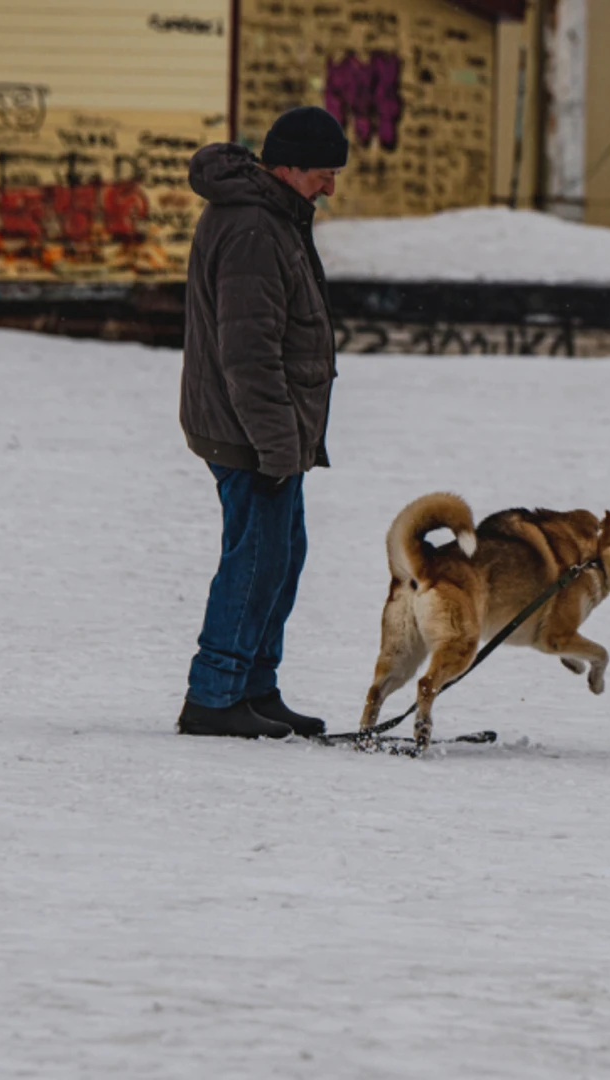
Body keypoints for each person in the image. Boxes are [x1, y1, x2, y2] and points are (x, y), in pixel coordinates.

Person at [175, 106, 347, 739]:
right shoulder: (254, 225)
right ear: (289, 166)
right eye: (325, 171)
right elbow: (247, 352)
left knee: (279, 555)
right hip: (249, 431)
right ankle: (214, 697)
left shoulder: (272, 215)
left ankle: (253, 687)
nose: (331, 185)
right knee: (254, 561)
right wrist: (277, 446)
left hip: (265, 430)